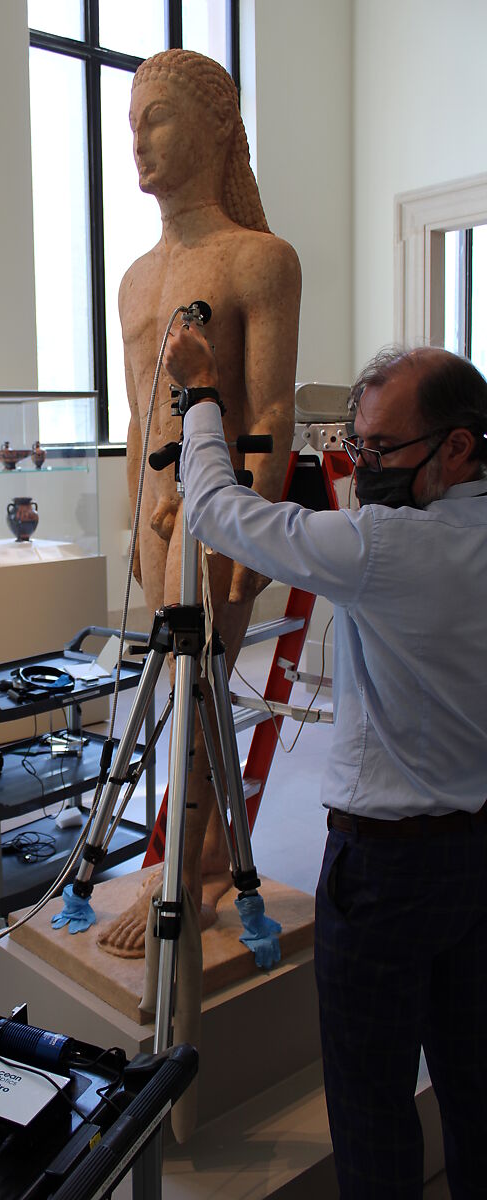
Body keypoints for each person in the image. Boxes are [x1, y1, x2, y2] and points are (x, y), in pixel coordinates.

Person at [164, 328, 487, 1199]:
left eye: (379, 449)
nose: (362, 465)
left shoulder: (387, 547)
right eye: (354, 444)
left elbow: (218, 512)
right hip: (475, 854)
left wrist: (199, 402)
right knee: (474, 1084)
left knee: (371, 1103)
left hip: (387, 872)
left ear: (457, 447)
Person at [100, 47, 301, 956]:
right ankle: (194, 852)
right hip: (155, 520)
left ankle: (196, 867)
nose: (137, 141)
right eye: (132, 121)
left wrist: (244, 526)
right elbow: (140, 419)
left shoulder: (260, 260)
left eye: (159, 119)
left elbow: (270, 411)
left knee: (204, 689)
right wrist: (135, 505)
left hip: (217, 516)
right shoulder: (135, 280)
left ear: (217, 128)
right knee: (180, 688)